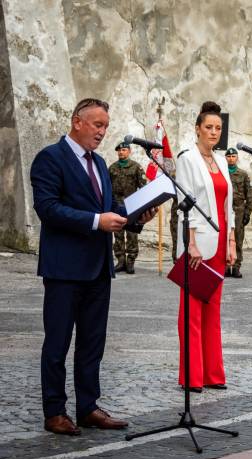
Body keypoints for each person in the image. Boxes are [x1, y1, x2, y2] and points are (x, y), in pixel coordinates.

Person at [30, 98, 156, 436]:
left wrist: (134, 217)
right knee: (57, 343)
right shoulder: (49, 158)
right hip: (64, 270)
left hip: (99, 268)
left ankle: (88, 407)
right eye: (97, 125)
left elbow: (106, 206)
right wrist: (95, 221)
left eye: (105, 126)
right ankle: (55, 411)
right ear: (76, 122)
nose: (102, 132)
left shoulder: (100, 163)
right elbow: (48, 208)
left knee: (92, 343)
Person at [175, 101, 236, 392]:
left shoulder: (222, 160)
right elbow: (183, 205)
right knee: (192, 310)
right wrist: (192, 243)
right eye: (209, 127)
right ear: (197, 128)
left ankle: (213, 373)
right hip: (198, 241)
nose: (214, 132)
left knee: (213, 309)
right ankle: (192, 375)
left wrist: (232, 240)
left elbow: (229, 205)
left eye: (218, 128)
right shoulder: (187, 158)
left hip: (221, 238)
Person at [108, 141, 146, 274]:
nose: (121, 152)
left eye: (124, 150)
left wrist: (142, 206)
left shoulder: (136, 167)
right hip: (116, 204)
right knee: (118, 233)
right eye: (119, 150)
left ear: (129, 151)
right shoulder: (112, 168)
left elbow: (143, 186)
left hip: (132, 205)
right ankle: (120, 261)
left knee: (132, 234)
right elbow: (107, 187)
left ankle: (130, 262)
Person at [224, 147, 252, 279]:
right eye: (229, 156)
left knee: (238, 238)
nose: (231, 158)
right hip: (224, 209)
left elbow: (249, 195)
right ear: (226, 158)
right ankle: (224, 266)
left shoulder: (243, 174)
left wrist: (248, 212)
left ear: (237, 158)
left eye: (233, 156)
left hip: (239, 210)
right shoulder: (222, 172)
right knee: (223, 238)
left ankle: (236, 267)